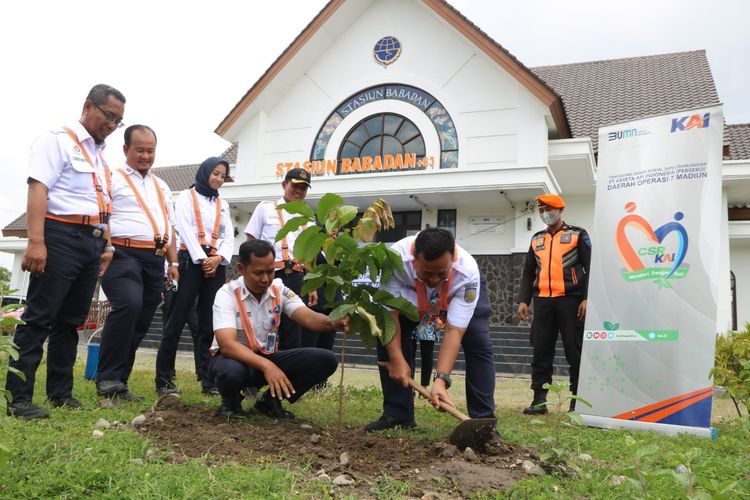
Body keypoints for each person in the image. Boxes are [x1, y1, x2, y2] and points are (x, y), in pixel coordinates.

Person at [6, 84, 126, 419]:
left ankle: (60, 392)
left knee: (72, 320)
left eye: (118, 121)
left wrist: (107, 243)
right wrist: (36, 241)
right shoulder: (57, 140)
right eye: (109, 116)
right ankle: (18, 399)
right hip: (60, 234)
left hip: (91, 240)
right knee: (39, 317)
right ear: (89, 106)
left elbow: (103, 204)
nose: (112, 126)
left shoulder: (100, 156)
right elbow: (38, 188)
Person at [365, 227, 496, 431]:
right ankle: (398, 415)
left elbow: (454, 331)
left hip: (455, 291)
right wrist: (397, 359)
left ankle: (483, 421)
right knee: (388, 339)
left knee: (478, 341)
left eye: (441, 273)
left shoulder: (467, 272)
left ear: (452, 261)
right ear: (414, 260)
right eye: (427, 273)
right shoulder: (395, 260)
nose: (434, 280)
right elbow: (389, 315)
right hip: (409, 294)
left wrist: (441, 380)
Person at [210, 240, 345, 418]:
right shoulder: (226, 294)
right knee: (230, 373)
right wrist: (267, 366)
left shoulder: (279, 289)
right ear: (241, 269)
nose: (265, 279)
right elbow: (227, 345)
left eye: (270, 271)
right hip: (236, 360)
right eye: (258, 273)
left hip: (268, 356)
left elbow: (307, 316)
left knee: (326, 360)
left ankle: (270, 401)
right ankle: (231, 402)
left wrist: (334, 321)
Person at [95, 125, 177, 400]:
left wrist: (173, 263)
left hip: (155, 259)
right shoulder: (111, 178)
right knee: (128, 306)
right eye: (139, 150)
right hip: (121, 254)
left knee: (141, 320)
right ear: (126, 149)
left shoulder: (162, 185)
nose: (145, 156)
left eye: (150, 151)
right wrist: (106, 246)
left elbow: (170, 226)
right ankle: (107, 379)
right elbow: (102, 215)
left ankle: (120, 381)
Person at [155, 157, 233, 396]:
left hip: (216, 264)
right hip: (191, 261)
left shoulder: (223, 203)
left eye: (222, 175)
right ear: (205, 172)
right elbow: (184, 228)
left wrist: (218, 259)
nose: (218, 179)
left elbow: (228, 235)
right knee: (176, 319)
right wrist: (202, 260)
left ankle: (209, 380)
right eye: (215, 173)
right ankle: (165, 380)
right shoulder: (186, 197)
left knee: (209, 323)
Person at [517, 194, 591, 414]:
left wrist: (587, 298)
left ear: (560, 210)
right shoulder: (536, 239)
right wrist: (523, 300)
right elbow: (528, 272)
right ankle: (539, 401)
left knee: (574, 350)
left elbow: (591, 268)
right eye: (541, 210)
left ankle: (576, 402)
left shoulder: (578, 235)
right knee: (541, 350)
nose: (544, 214)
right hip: (543, 303)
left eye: (548, 209)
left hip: (571, 301)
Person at [244, 167, 317, 351]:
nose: (299, 191)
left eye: (304, 188)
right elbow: (251, 242)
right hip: (269, 276)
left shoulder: (308, 218)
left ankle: (289, 373)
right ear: (284, 184)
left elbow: (310, 254)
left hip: (296, 277)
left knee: (293, 327)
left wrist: (313, 285)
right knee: (265, 323)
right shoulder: (265, 208)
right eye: (295, 186)